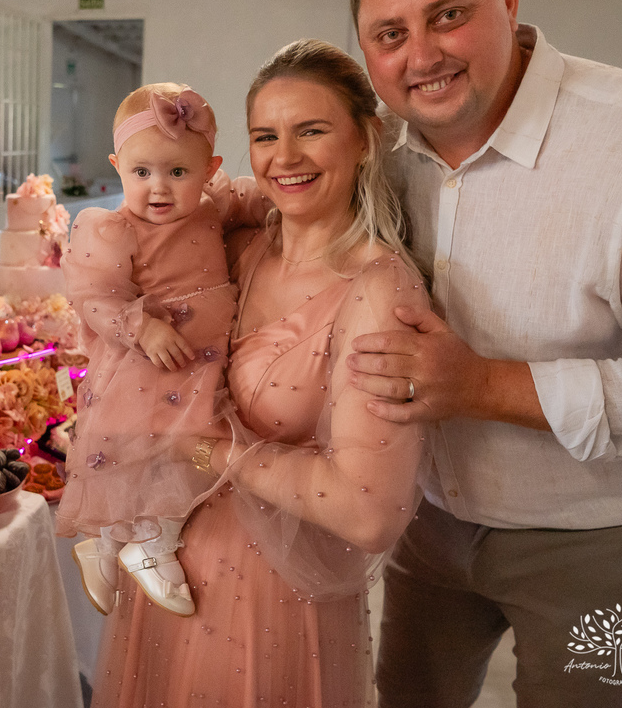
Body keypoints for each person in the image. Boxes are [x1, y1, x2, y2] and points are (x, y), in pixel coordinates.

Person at [346, 0, 622, 707]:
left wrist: (481, 385)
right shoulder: (380, 147)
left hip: (612, 536)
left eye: (449, 14)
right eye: (389, 33)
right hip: (432, 519)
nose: (422, 55)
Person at [88, 42, 430, 707]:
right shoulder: (238, 247)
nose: (285, 156)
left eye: (311, 130)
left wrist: (208, 448)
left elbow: (368, 511)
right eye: (266, 136)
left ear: (365, 137)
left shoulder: (378, 289)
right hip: (166, 570)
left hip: (272, 599)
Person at [57, 83, 244, 618]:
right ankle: (151, 546)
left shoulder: (212, 208)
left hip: (199, 365)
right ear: (117, 166)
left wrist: (280, 206)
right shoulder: (114, 229)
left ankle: (107, 546)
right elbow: (93, 296)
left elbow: (253, 198)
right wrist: (142, 326)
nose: (158, 188)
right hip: (150, 366)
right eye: (141, 173)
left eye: (177, 173)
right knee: (149, 463)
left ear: (210, 169)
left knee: (177, 460)